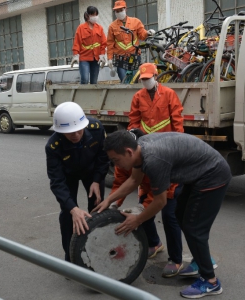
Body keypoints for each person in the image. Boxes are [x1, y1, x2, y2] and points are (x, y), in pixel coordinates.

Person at [93, 130, 232, 298]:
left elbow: (160, 202)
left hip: (213, 175)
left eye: (116, 160)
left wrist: (137, 220)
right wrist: (109, 200)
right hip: (198, 174)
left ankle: (211, 282)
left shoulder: (154, 161)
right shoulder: (139, 150)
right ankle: (200, 261)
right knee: (180, 215)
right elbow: (134, 180)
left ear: (128, 152)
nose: (116, 165)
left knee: (194, 228)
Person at [110, 63, 184, 276]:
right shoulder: (138, 98)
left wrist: (176, 144)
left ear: (156, 76)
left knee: (169, 215)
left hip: (167, 152)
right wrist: (116, 201)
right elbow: (134, 122)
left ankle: (176, 259)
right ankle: (154, 243)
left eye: (148, 78)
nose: (146, 82)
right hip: (146, 148)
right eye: (143, 79)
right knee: (144, 209)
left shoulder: (169, 94)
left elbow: (177, 122)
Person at [45, 102, 109, 262]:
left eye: (79, 130)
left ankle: (97, 251)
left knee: (97, 208)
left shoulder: (96, 128)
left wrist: (97, 180)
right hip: (68, 175)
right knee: (68, 214)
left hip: (92, 172)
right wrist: (73, 209)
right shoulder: (53, 146)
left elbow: (104, 156)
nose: (76, 135)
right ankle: (71, 257)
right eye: (70, 133)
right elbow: (57, 181)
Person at [107, 1, 155, 82]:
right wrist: (109, 59)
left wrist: (148, 33)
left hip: (134, 56)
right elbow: (110, 43)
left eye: (120, 10)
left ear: (126, 9)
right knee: (124, 81)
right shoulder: (112, 26)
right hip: (120, 59)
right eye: (116, 11)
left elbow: (142, 35)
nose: (119, 13)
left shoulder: (135, 22)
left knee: (134, 81)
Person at [71, 6, 107, 84]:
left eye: (96, 15)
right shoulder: (81, 28)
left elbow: (103, 43)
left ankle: (93, 96)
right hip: (84, 58)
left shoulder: (99, 28)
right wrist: (76, 55)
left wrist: (102, 55)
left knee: (94, 82)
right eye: (93, 15)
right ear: (87, 16)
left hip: (96, 59)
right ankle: (83, 95)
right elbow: (76, 42)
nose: (95, 17)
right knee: (85, 79)